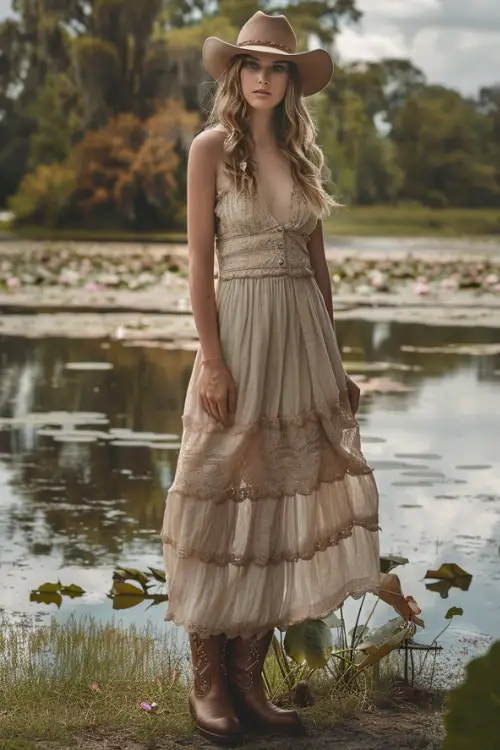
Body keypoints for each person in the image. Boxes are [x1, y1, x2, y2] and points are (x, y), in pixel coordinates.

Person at [161, 10, 383, 746]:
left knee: (280, 498)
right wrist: (213, 361)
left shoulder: (303, 159)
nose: (262, 76)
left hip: (302, 341)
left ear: (291, 81)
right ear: (235, 74)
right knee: (221, 489)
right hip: (242, 332)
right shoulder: (209, 150)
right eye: (251, 65)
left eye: (276, 66)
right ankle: (207, 680)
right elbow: (198, 267)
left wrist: (339, 365)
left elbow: (320, 275)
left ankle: (249, 679)